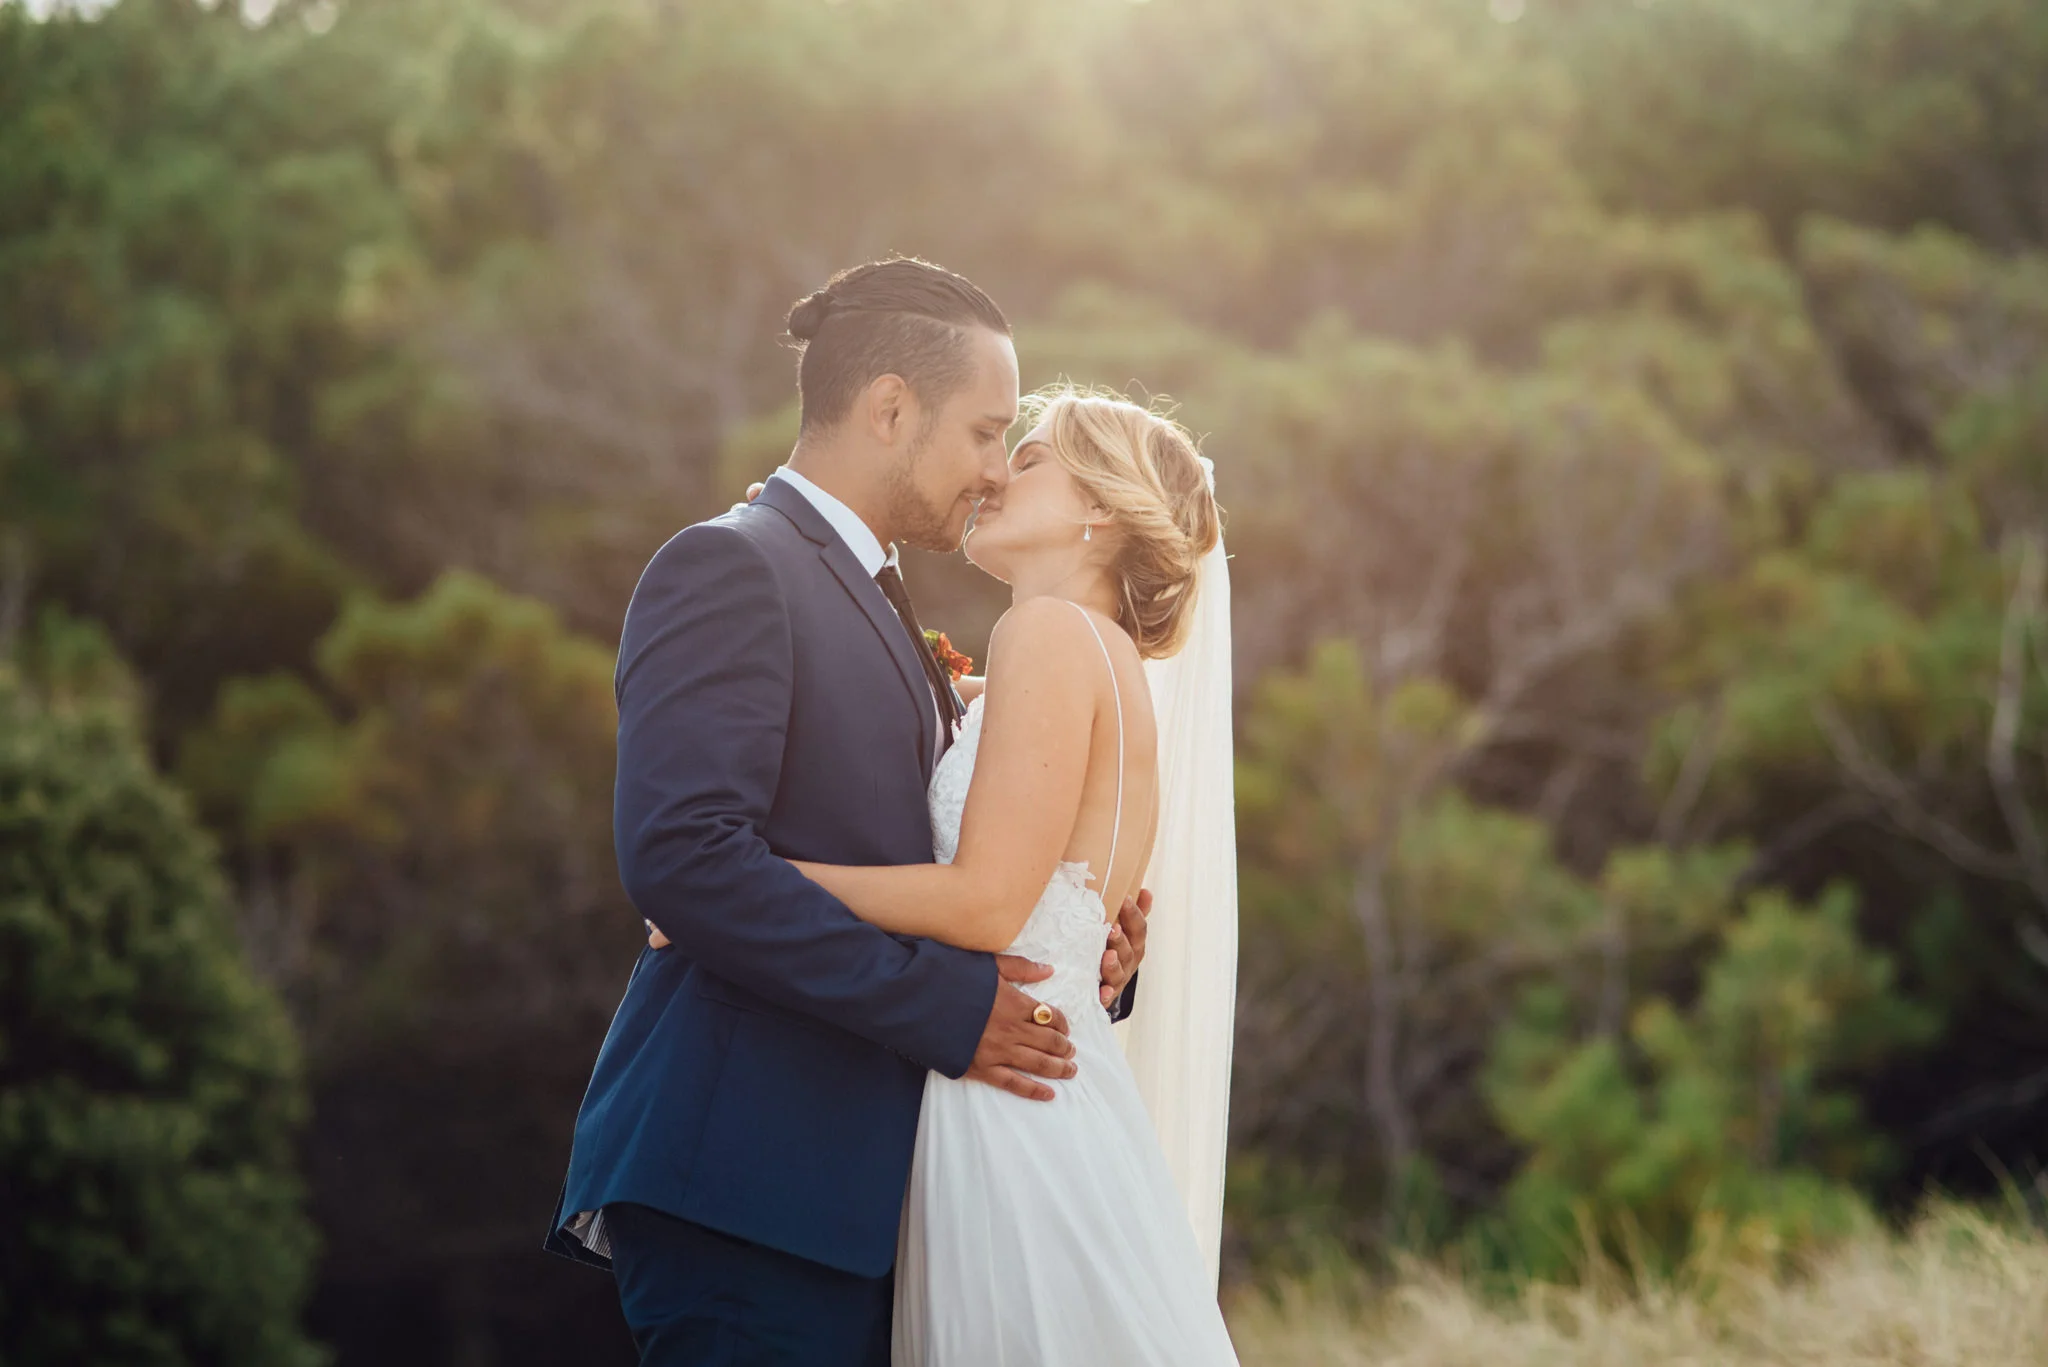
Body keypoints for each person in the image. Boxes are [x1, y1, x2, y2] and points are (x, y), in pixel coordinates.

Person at [544, 257, 1149, 1366]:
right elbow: (683, 857)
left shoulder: (886, 606)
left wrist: (1075, 934)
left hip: (878, 1191)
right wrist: (945, 1005)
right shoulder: (730, 568)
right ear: (888, 408)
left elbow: (938, 865)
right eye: (981, 433)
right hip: (749, 1172)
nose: (989, 471)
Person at [774, 386, 1240, 1365]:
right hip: (1062, 1089)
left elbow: (987, 903)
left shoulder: (1047, 635)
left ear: (1098, 508)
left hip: (1000, 1100)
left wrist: (758, 883)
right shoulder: (1103, 666)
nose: (993, 473)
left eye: (1026, 458)